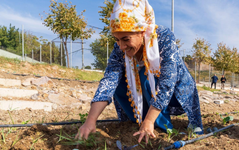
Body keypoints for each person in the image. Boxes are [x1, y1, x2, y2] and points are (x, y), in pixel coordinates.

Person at [76, 0, 203, 144]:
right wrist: (90, 121)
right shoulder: (119, 48)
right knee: (117, 82)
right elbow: (109, 81)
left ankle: (160, 128)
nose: (121, 46)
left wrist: (149, 120)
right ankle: (138, 121)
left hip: (173, 92)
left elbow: (167, 82)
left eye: (126, 39)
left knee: (147, 75)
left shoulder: (163, 37)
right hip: (144, 93)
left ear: (142, 31)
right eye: (117, 39)